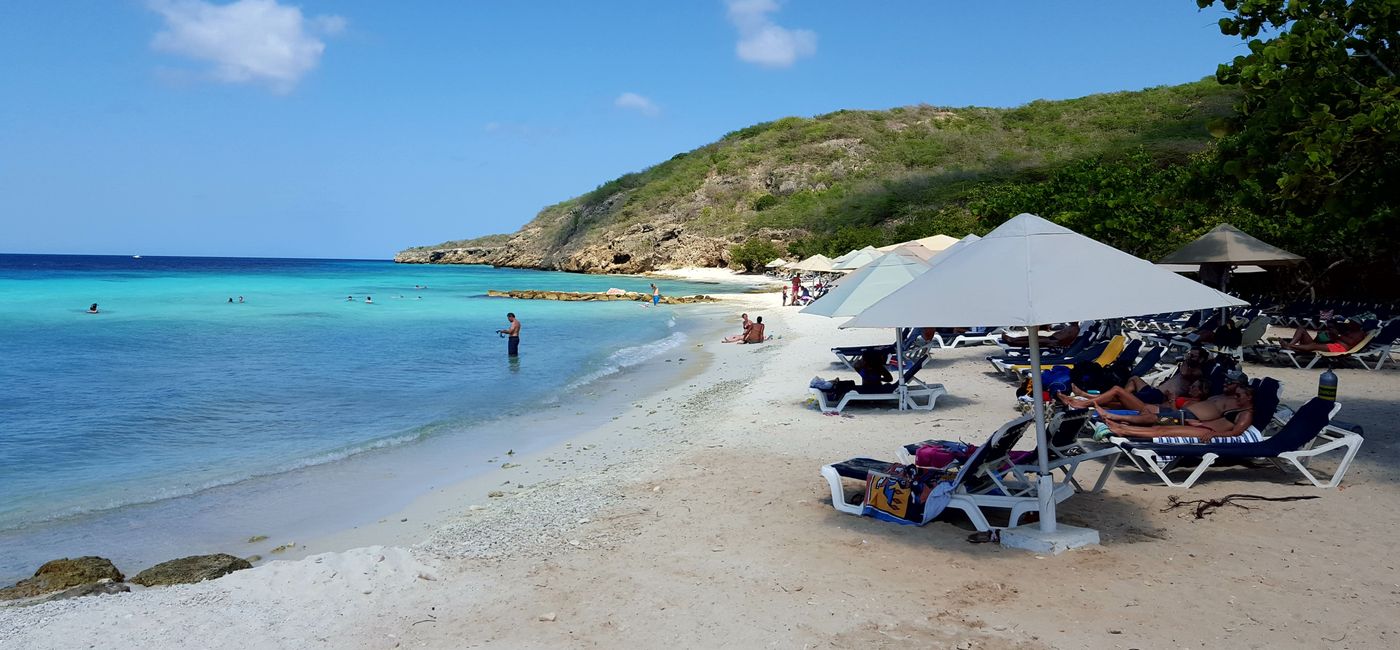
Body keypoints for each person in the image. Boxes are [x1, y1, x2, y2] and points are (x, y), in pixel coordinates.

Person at [1098, 382, 1257, 442]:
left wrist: (1215, 434)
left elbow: (1236, 432)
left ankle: (1122, 430)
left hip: (1206, 432)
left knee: (1163, 431)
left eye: (1239, 395)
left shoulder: (1246, 414)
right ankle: (1122, 428)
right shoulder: (1238, 408)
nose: (1235, 398)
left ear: (1249, 397)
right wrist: (1200, 422)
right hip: (1199, 425)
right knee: (1158, 426)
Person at [1283, 320, 1365, 353]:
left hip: (1340, 348)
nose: (1349, 324)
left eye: (1351, 323)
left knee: (1314, 346)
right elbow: (1338, 338)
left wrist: (1338, 335)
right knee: (1301, 329)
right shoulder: (1350, 331)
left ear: (1356, 325)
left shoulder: (1360, 333)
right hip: (1333, 344)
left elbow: (1351, 342)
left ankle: (1289, 345)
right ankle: (1290, 346)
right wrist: (1329, 335)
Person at [1000, 322, 1082, 349]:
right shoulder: (1072, 327)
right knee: (1033, 338)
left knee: (1033, 341)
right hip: (1052, 339)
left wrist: (1055, 343)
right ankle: (1013, 339)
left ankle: (1012, 341)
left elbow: (1067, 341)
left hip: (1054, 342)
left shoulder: (1075, 329)